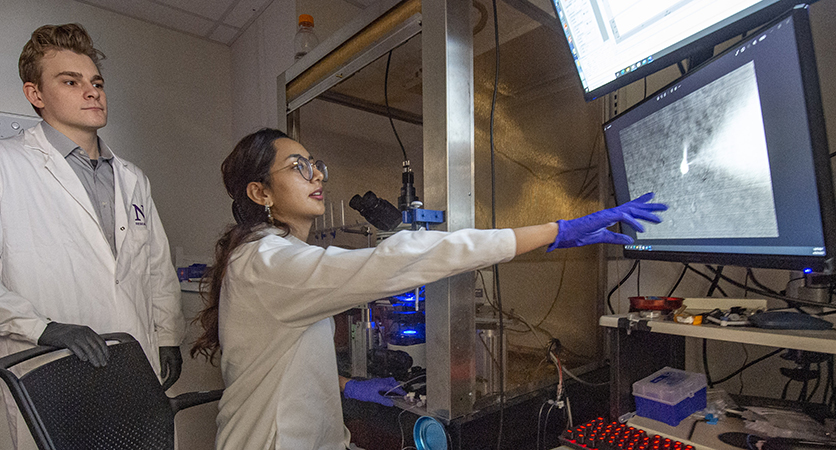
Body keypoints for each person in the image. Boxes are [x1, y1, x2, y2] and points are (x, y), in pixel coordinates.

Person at [190, 128, 667, 449]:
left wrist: (346, 384)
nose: (316, 175)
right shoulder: (270, 262)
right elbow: (400, 259)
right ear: (260, 193)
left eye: (316, 165)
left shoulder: (266, 256)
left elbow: (275, 357)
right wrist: (553, 232)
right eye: (298, 167)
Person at [0, 23, 185, 449]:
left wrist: (169, 336)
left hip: (132, 369)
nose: (92, 92)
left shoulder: (132, 178)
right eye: (71, 81)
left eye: (96, 82)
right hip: (49, 373)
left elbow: (156, 268)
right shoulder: (9, 167)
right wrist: (43, 328)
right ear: (36, 95)